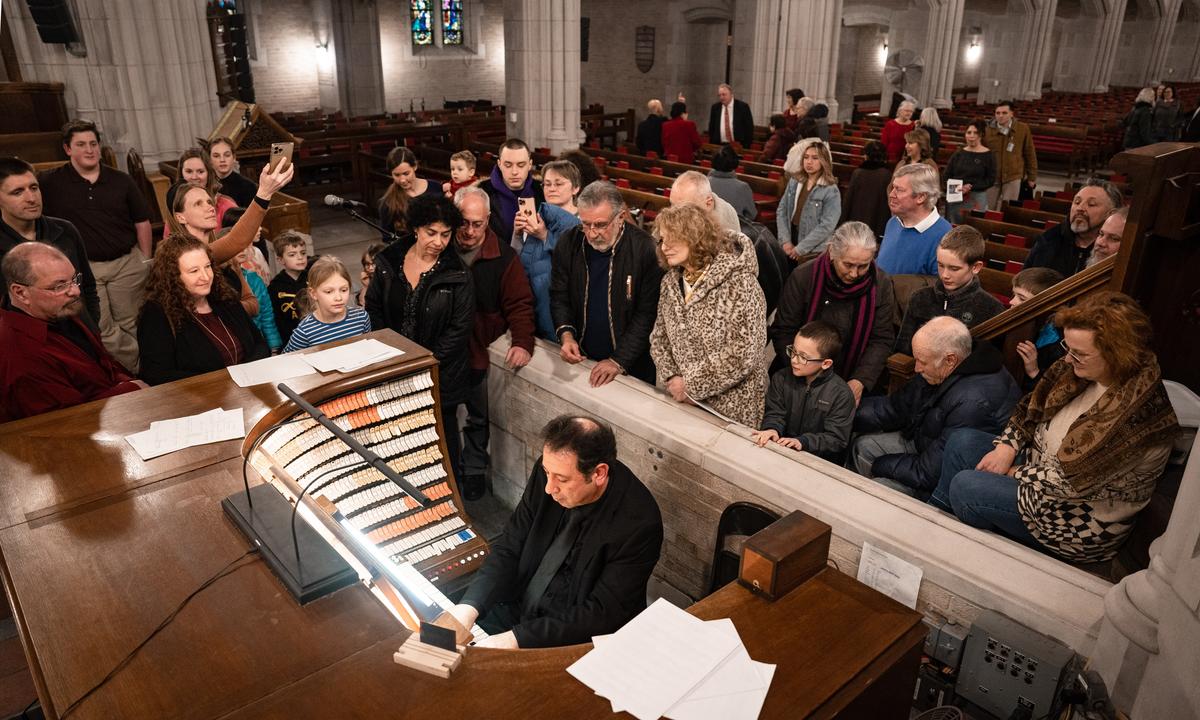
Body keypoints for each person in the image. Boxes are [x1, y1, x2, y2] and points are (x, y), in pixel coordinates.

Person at [934, 292, 1179, 564]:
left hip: (1079, 518)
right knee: (963, 441)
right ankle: (939, 520)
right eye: (1068, 347)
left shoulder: (1136, 413)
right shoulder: (1077, 368)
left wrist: (1011, 471)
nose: (1067, 360)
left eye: (1080, 353)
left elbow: (1070, 483)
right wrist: (1007, 446)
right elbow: (1029, 408)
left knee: (967, 486)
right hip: (1042, 469)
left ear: (1117, 353)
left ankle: (966, 549)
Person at [447, 416, 662, 649]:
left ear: (599, 473)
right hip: (519, 603)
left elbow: (603, 612)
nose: (549, 488)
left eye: (562, 479)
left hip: (577, 638)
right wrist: (470, 606)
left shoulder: (639, 522)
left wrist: (517, 638)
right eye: (547, 472)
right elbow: (511, 544)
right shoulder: (549, 473)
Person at [365, 195, 473, 479]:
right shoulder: (389, 261)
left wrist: (424, 362)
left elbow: (460, 328)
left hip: (439, 374)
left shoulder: (458, 273)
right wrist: (391, 354)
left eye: (445, 234)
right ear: (416, 229)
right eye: (431, 233)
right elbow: (374, 308)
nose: (438, 242)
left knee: (443, 447)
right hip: (394, 369)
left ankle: (452, 499)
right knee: (403, 443)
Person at [853, 316, 1020, 498]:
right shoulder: (944, 365)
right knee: (863, 445)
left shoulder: (973, 402)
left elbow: (929, 474)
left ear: (950, 360)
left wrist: (879, 465)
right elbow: (894, 407)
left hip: (945, 482)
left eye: (922, 362)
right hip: (928, 441)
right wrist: (846, 411)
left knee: (879, 486)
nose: (916, 368)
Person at [38, 120, 153, 371]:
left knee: (134, 321)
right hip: (86, 269)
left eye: (93, 143)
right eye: (81, 145)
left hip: (126, 264)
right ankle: (136, 371)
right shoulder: (50, 183)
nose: (89, 149)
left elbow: (142, 221)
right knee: (103, 328)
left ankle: (152, 369)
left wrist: (144, 259)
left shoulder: (120, 180)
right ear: (68, 149)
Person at [648, 203, 767, 427]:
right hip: (684, 402)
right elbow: (659, 338)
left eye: (673, 238)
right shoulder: (670, 282)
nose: (665, 247)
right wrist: (673, 378)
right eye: (662, 240)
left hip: (732, 409)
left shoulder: (739, 282)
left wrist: (691, 385)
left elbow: (744, 353)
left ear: (695, 237)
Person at [452, 186, 536, 501]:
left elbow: (520, 304)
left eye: (477, 224)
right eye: (463, 222)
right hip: (444, 351)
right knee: (445, 413)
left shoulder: (503, 256)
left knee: (477, 417)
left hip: (477, 351)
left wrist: (523, 342)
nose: (470, 231)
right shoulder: (440, 250)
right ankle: (448, 470)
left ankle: (473, 470)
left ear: (488, 220)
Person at [0, 243, 141, 420]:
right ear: (20, 293)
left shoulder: (59, 311)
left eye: (74, 279)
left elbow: (104, 363)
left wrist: (126, 381)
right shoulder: (22, 355)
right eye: (59, 286)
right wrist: (130, 389)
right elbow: (65, 421)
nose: (75, 291)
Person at [770, 221, 897, 406]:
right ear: (832, 252)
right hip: (799, 371)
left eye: (863, 266)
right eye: (848, 265)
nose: (855, 273)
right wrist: (804, 370)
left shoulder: (881, 283)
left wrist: (860, 381)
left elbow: (882, 339)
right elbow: (783, 330)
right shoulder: (804, 276)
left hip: (852, 372)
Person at [550, 181, 662, 387]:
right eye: (585, 224)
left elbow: (647, 314)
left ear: (620, 217)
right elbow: (559, 295)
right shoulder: (569, 242)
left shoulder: (646, 250)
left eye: (601, 225)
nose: (592, 233)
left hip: (632, 367)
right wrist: (566, 336)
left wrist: (618, 360)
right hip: (582, 359)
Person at [137, 235, 269, 385]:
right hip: (203, 399)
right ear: (172, 276)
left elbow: (260, 344)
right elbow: (156, 375)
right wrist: (223, 380)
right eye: (194, 271)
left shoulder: (224, 296)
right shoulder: (156, 314)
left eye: (207, 267)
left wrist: (245, 373)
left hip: (251, 387)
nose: (206, 277)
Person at [668, 171, 789, 318]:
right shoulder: (670, 237)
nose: (675, 216)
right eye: (672, 206)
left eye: (685, 209)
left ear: (708, 203)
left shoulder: (753, 241)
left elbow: (769, 297)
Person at [0, 157, 99, 321]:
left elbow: (87, 287)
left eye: (34, 188)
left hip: (80, 333)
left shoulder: (66, 230)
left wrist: (91, 326)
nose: (31, 198)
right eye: (17, 192)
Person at [753, 320, 855, 463]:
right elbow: (775, 413)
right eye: (793, 351)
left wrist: (803, 442)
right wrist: (772, 429)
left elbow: (836, 439)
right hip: (779, 452)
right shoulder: (781, 378)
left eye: (803, 357)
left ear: (826, 363)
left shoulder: (841, 394)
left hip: (815, 462)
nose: (794, 360)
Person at [895, 226, 1004, 355]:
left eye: (954, 268)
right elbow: (902, 349)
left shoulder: (992, 309)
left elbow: (990, 360)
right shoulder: (920, 298)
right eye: (940, 265)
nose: (944, 275)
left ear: (975, 267)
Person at [166, 181, 259, 318]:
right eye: (198, 204)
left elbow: (253, 304)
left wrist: (229, 310)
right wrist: (263, 194)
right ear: (180, 217)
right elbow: (238, 239)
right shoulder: (178, 257)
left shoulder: (227, 255)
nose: (210, 208)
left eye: (209, 202)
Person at [513, 160, 581, 340]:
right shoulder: (537, 216)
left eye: (558, 184)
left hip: (562, 304)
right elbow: (517, 257)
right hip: (532, 297)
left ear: (575, 188)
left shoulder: (583, 221)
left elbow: (578, 262)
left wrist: (545, 236)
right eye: (547, 184)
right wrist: (518, 234)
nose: (551, 189)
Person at [1024, 178, 1122, 278]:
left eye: (1091, 204)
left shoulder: (1112, 249)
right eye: (1077, 202)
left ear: (1110, 214)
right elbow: (1025, 280)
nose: (1080, 208)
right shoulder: (1049, 239)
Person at [282, 256, 371, 353]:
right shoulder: (305, 331)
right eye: (329, 291)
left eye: (344, 290)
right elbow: (287, 360)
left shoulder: (361, 317)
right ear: (313, 293)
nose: (338, 297)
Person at [878, 163, 951, 276]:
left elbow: (940, 287)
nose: (891, 194)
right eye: (893, 187)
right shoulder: (893, 222)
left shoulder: (944, 236)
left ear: (921, 197)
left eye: (899, 190)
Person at [776, 138, 841, 261]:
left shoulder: (830, 190)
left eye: (815, 158)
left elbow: (827, 225)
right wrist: (785, 241)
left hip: (813, 249)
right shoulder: (795, 181)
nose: (809, 162)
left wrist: (801, 249)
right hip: (791, 237)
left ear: (823, 161)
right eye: (806, 157)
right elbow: (782, 211)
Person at [478, 139, 546, 241]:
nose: (514, 172)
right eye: (508, 165)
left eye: (521, 165)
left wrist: (544, 235)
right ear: (499, 164)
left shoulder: (543, 191)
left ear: (530, 165)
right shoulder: (482, 193)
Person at [1010, 266, 1065, 389]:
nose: (1011, 302)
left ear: (1045, 305)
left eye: (1021, 298)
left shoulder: (1058, 342)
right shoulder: (1012, 321)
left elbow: (1055, 391)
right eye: (1014, 294)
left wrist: (1034, 371)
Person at [167, 147, 237, 235]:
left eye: (200, 171)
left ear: (209, 174)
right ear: (181, 174)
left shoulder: (226, 205)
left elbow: (240, 239)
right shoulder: (175, 205)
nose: (194, 177)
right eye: (189, 171)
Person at [378, 147, 441, 240]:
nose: (402, 180)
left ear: (415, 166)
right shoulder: (388, 202)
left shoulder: (435, 188)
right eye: (397, 175)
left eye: (406, 173)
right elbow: (387, 237)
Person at [984, 101, 1037, 210]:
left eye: (1004, 113)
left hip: (1013, 175)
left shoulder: (1022, 129)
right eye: (997, 113)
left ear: (1012, 114)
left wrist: (1032, 177)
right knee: (988, 208)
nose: (1000, 116)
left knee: (1008, 208)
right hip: (992, 176)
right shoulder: (988, 130)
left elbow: (1029, 153)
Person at [943, 119, 996, 223]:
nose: (971, 135)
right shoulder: (958, 153)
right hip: (955, 194)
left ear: (981, 135)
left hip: (977, 196)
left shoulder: (988, 155)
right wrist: (959, 187)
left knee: (973, 228)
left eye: (975, 133)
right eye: (969, 132)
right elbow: (946, 175)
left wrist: (970, 187)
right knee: (952, 227)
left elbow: (990, 179)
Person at [268, 230, 313, 346]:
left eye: (303, 253)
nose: (300, 258)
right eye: (292, 255)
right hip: (291, 339)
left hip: (316, 333)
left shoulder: (313, 277)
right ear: (280, 260)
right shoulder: (275, 286)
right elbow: (275, 318)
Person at [840, 140, 892, 238]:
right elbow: (886, 204)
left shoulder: (858, 173)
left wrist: (842, 222)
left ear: (866, 156)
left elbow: (848, 200)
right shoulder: (887, 175)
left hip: (856, 219)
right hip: (877, 222)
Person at [237, 246, 282, 354]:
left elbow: (266, 315)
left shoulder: (253, 278)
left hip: (257, 342)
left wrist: (274, 346)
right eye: (235, 248)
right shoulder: (219, 283)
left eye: (244, 246)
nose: (242, 249)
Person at [707, 145, 756, 221]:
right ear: (734, 162)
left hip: (708, 228)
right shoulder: (742, 187)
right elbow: (752, 214)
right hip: (734, 229)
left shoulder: (704, 183)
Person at [208, 137, 259, 208]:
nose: (222, 160)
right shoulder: (205, 184)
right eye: (216, 156)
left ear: (234, 157)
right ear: (210, 160)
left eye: (227, 155)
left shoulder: (248, 187)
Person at [357, 242, 385, 308]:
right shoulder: (370, 280)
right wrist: (366, 286)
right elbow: (362, 305)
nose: (370, 268)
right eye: (367, 264)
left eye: (374, 264)